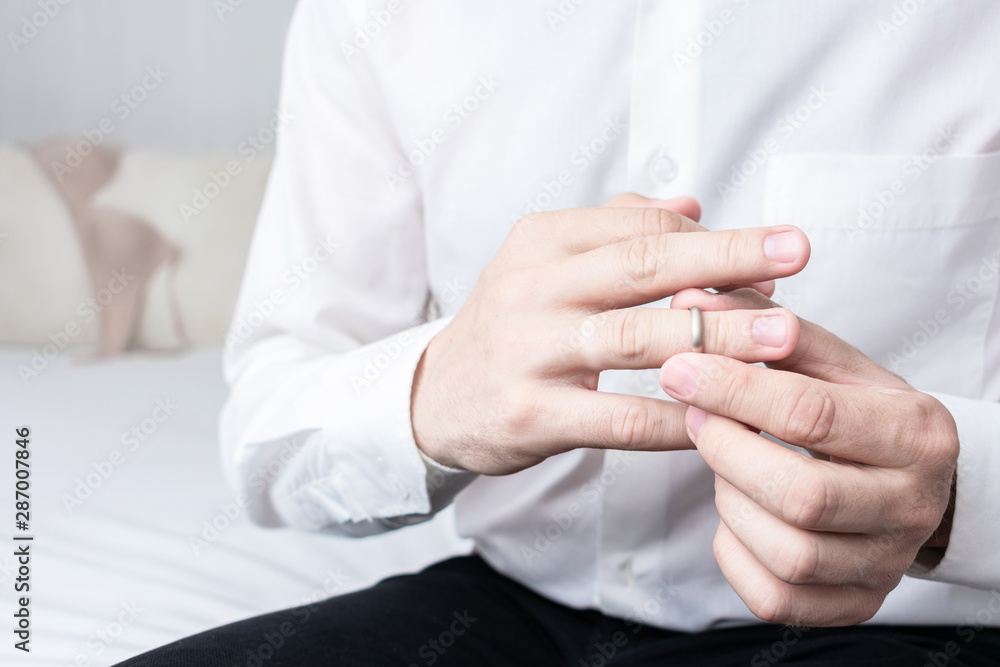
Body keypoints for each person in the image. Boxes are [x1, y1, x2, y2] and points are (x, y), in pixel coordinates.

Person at [120, 1, 1000, 664]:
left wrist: (962, 500)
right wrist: (431, 399)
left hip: (922, 626)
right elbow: (269, 431)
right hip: (506, 615)